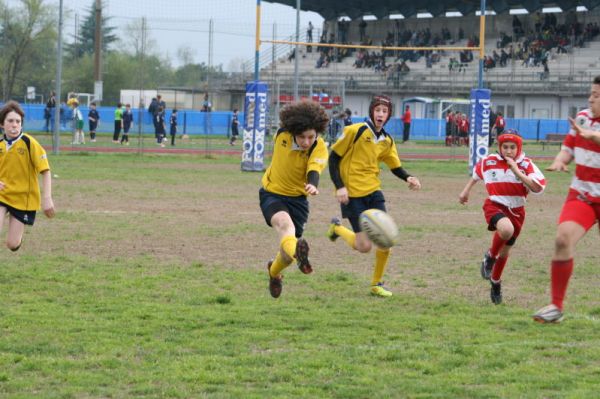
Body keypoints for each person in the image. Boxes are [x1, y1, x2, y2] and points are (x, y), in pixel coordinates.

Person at [326, 95, 422, 297]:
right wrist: (340, 187)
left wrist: (408, 177)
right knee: (363, 247)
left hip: (374, 193)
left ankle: (376, 284)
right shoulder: (355, 131)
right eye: (377, 110)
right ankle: (337, 228)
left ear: (388, 115)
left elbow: (395, 166)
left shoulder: (386, 140)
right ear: (371, 112)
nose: (380, 114)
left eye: (384, 111)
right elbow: (333, 158)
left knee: (386, 239)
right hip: (352, 194)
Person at [533, 75, 600, 323]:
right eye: (591, 93)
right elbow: (569, 147)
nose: (590, 98)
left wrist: (592, 136)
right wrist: (560, 160)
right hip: (582, 194)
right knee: (562, 240)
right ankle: (555, 307)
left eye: (596, 95)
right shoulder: (582, 117)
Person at [459, 130, 546, 304]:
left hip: (517, 211)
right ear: (499, 147)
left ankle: (496, 282)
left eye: (512, 147)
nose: (508, 151)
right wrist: (465, 191)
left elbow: (538, 188)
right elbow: (476, 174)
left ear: (519, 148)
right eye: (505, 147)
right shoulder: (490, 161)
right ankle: (490, 256)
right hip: (495, 205)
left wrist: (517, 171)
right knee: (506, 230)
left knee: (505, 252)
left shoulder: (527, 165)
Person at [261, 101, 329, 298]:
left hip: (298, 200)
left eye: (311, 136)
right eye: (302, 137)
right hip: (272, 193)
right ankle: (300, 256)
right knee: (285, 225)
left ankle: (274, 272)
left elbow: (315, 168)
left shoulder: (319, 146)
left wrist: (313, 184)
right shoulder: (282, 134)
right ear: (293, 132)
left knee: (285, 256)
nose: (306, 142)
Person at [0, 101, 55, 251]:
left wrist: (47, 198)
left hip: (24, 199)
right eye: (10, 121)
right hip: (2, 195)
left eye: (18, 121)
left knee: (12, 244)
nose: (14, 125)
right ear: (2, 124)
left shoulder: (29, 143)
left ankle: (16, 240)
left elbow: (45, 170)